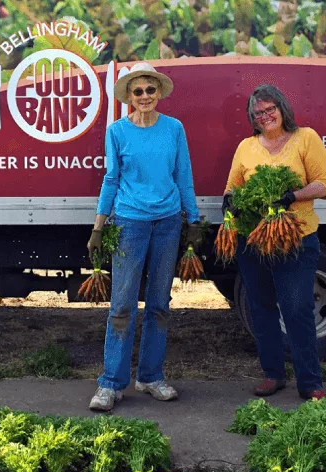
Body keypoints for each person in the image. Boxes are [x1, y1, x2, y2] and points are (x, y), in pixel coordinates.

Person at [87, 62, 205, 412]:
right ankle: (111, 383)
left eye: (149, 90)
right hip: (129, 224)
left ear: (158, 92)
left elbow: (183, 174)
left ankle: (151, 377)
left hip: (168, 223)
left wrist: (194, 220)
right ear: (128, 96)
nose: (144, 97)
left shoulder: (174, 129)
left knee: (159, 305)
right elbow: (110, 179)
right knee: (122, 306)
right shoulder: (117, 131)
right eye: (137, 91)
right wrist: (98, 226)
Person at [222, 83, 326, 401]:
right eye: (258, 113)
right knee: (261, 308)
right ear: (252, 119)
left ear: (282, 109)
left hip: (295, 238)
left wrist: (292, 196)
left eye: (270, 109)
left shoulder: (305, 138)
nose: (265, 116)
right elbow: (232, 185)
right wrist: (229, 202)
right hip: (254, 239)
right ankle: (272, 375)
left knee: (297, 308)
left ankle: (310, 381)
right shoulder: (246, 146)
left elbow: (325, 184)